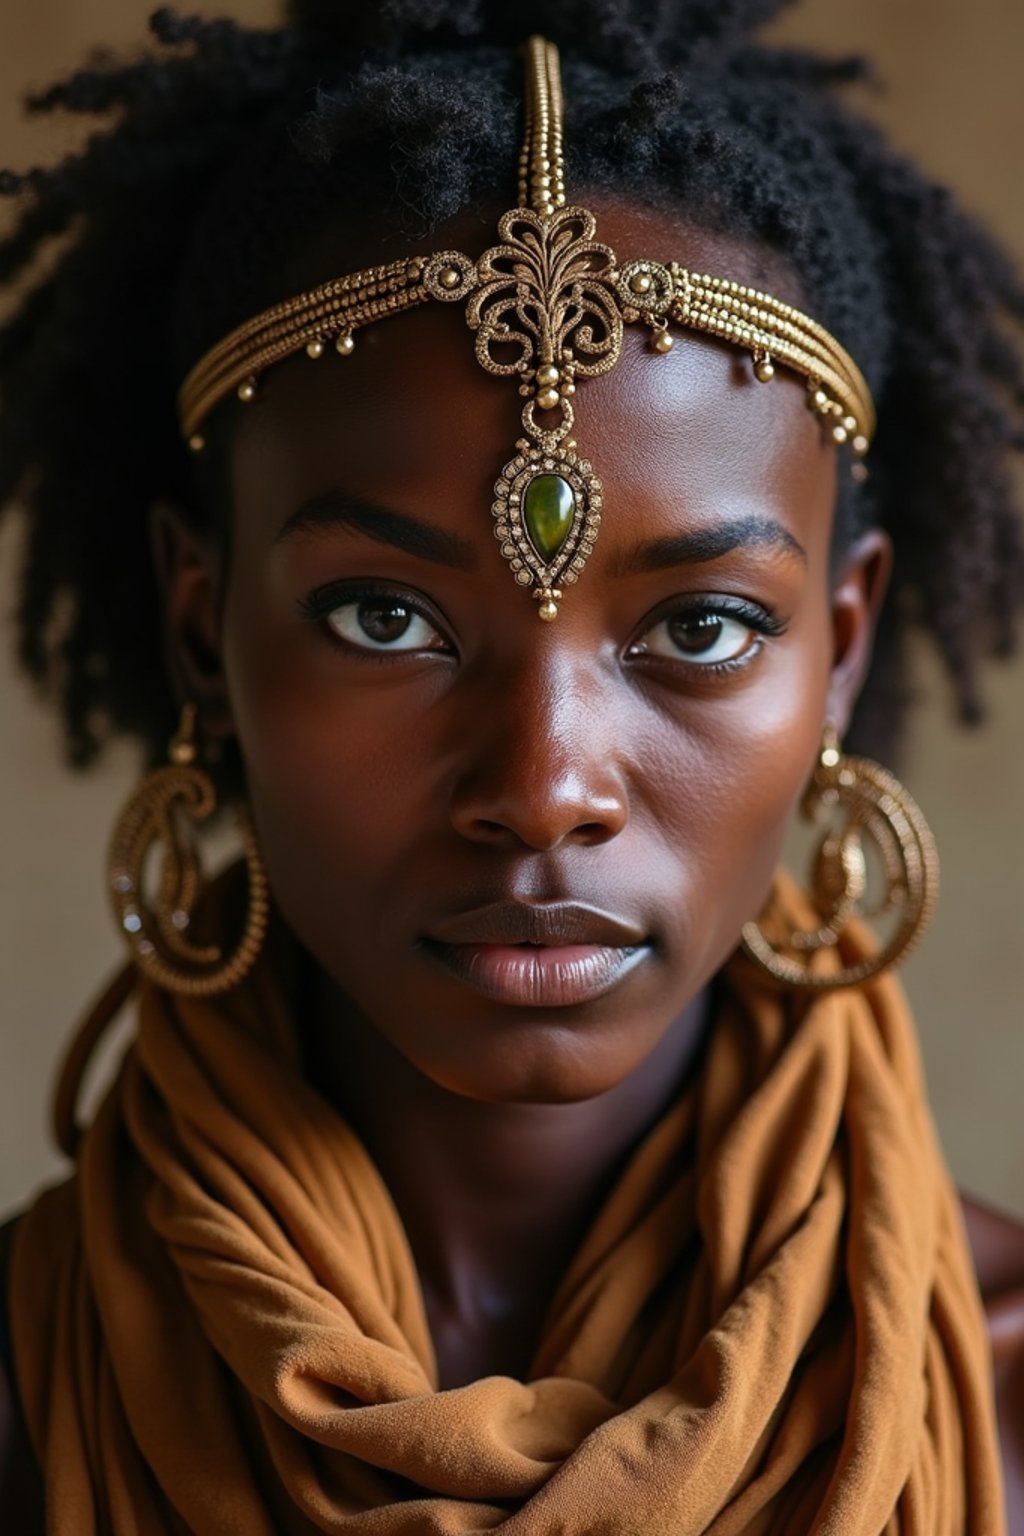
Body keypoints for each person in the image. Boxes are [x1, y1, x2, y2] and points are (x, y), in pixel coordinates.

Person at [0, 1, 1022, 1529]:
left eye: (705, 626)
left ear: (846, 646)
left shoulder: (1004, 1403)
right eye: (384, 613)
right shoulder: (25, 1396)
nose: (546, 789)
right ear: (203, 634)